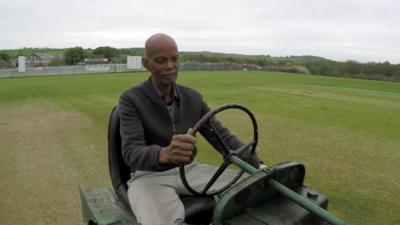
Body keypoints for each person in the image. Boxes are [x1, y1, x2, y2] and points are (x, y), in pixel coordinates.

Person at [119, 33, 262, 225]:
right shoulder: (131, 100)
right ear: (147, 63)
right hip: (149, 177)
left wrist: (258, 165)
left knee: (254, 188)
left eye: (174, 59)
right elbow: (131, 152)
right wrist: (164, 154)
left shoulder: (193, 98)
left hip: (190, 170)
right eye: (161, 60)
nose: (170, 66)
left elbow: (222, 138)